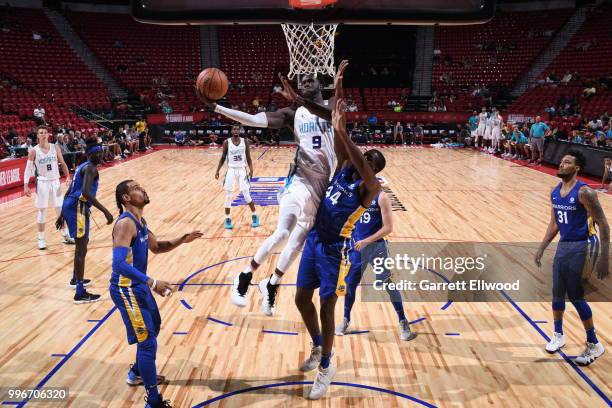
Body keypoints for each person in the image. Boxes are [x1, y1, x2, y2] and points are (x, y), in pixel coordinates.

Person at [197, 63, 344, 316]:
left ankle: (271, 283)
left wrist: (298, 99)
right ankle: (245, 276)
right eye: (302, 81)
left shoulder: (331, 106)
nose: (306, 83)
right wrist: (217, 107)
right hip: (299, 180)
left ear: (321, 84)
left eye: (310, 80)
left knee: (298, 242)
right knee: (283, 232)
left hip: (322, 188)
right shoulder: (291, 113)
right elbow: (254, 120)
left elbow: (328, 115)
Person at [295, 94, 385, 400]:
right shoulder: (343, 169)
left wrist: (343, 132)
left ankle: (326, 366)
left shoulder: (370, 188)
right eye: (366, 156)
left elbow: (352, 150)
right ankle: (318, 344)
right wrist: (337, 88)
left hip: (336, 250)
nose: (365, 159)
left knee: (327, 306)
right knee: (300, 298)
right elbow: (340, 137)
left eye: (371, 161)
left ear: (374, 170)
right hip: (315, 240)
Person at [111, 179, 202, 408]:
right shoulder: (125, 224)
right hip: (126, 289)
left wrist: (182, 239)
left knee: (155, 325)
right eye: (136, 188)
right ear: (126, 198)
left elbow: (157, 247)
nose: (142, 189)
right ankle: (153, 401)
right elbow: (119, 265)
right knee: (148, 342)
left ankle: (137, 372)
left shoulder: (141, 222)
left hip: (138, 287)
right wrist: (152, 283)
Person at [535, 150, 609, 366]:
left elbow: (603, 223)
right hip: (564, 246)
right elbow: (555, 223)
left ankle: (594, 343)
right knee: (557, 292)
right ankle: (558, 335)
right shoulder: (555, 191)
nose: (561, 164)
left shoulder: (585, 192)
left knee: (576, 295)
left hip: (583, 246)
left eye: (566, 162)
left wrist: (604, 257)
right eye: (561, 161)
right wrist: (542, 247)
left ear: (577, 168)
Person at [335, 189, 414, 341]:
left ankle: (403, 320)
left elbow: (388, 228)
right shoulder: (354, 194)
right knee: (350, 284)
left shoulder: (382, 196)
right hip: (357, 248)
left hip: (377, 247)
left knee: (387, 283)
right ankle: (346, 319)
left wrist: (367, 241)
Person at [56, 139, 114, 303]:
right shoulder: (91, 168)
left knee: (83, 243)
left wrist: (62, 213)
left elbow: (70, 189)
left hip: (71, 205)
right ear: (89, 154)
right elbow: (87, 193)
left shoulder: (82, 166)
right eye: (97, 152)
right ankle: (80, 292)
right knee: (81, 248)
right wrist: (106, 212)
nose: (100, 154)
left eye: (101, 151)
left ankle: (76, 279)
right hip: (78, 207)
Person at [24, 126, 73, 249]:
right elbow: (28, 169)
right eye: (41, 133)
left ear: (48, 134)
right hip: (42, 183)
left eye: (45, 132)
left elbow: (62, 162)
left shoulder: (55, 147)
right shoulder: (33, 151)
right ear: (37, 136)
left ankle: (65, 235)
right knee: (42, 210)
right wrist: (25, 185)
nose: (43, 134)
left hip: (55, 182)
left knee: (60, 210)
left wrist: (68, 176)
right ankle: (41, 239)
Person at [214, 124, 259, 229]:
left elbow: (248, 157)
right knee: (229, 195)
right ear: (231, 131)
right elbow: (223, 157)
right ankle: (228, 218)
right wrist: (217, 170)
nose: (235, 131)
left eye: (237, 129)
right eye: (234, 129)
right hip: (231, 170)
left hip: (242, 170)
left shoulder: (245, 141)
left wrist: (251, 169)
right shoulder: (227, 142)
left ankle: (255, 216)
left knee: (246, 194)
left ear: (240, 131)